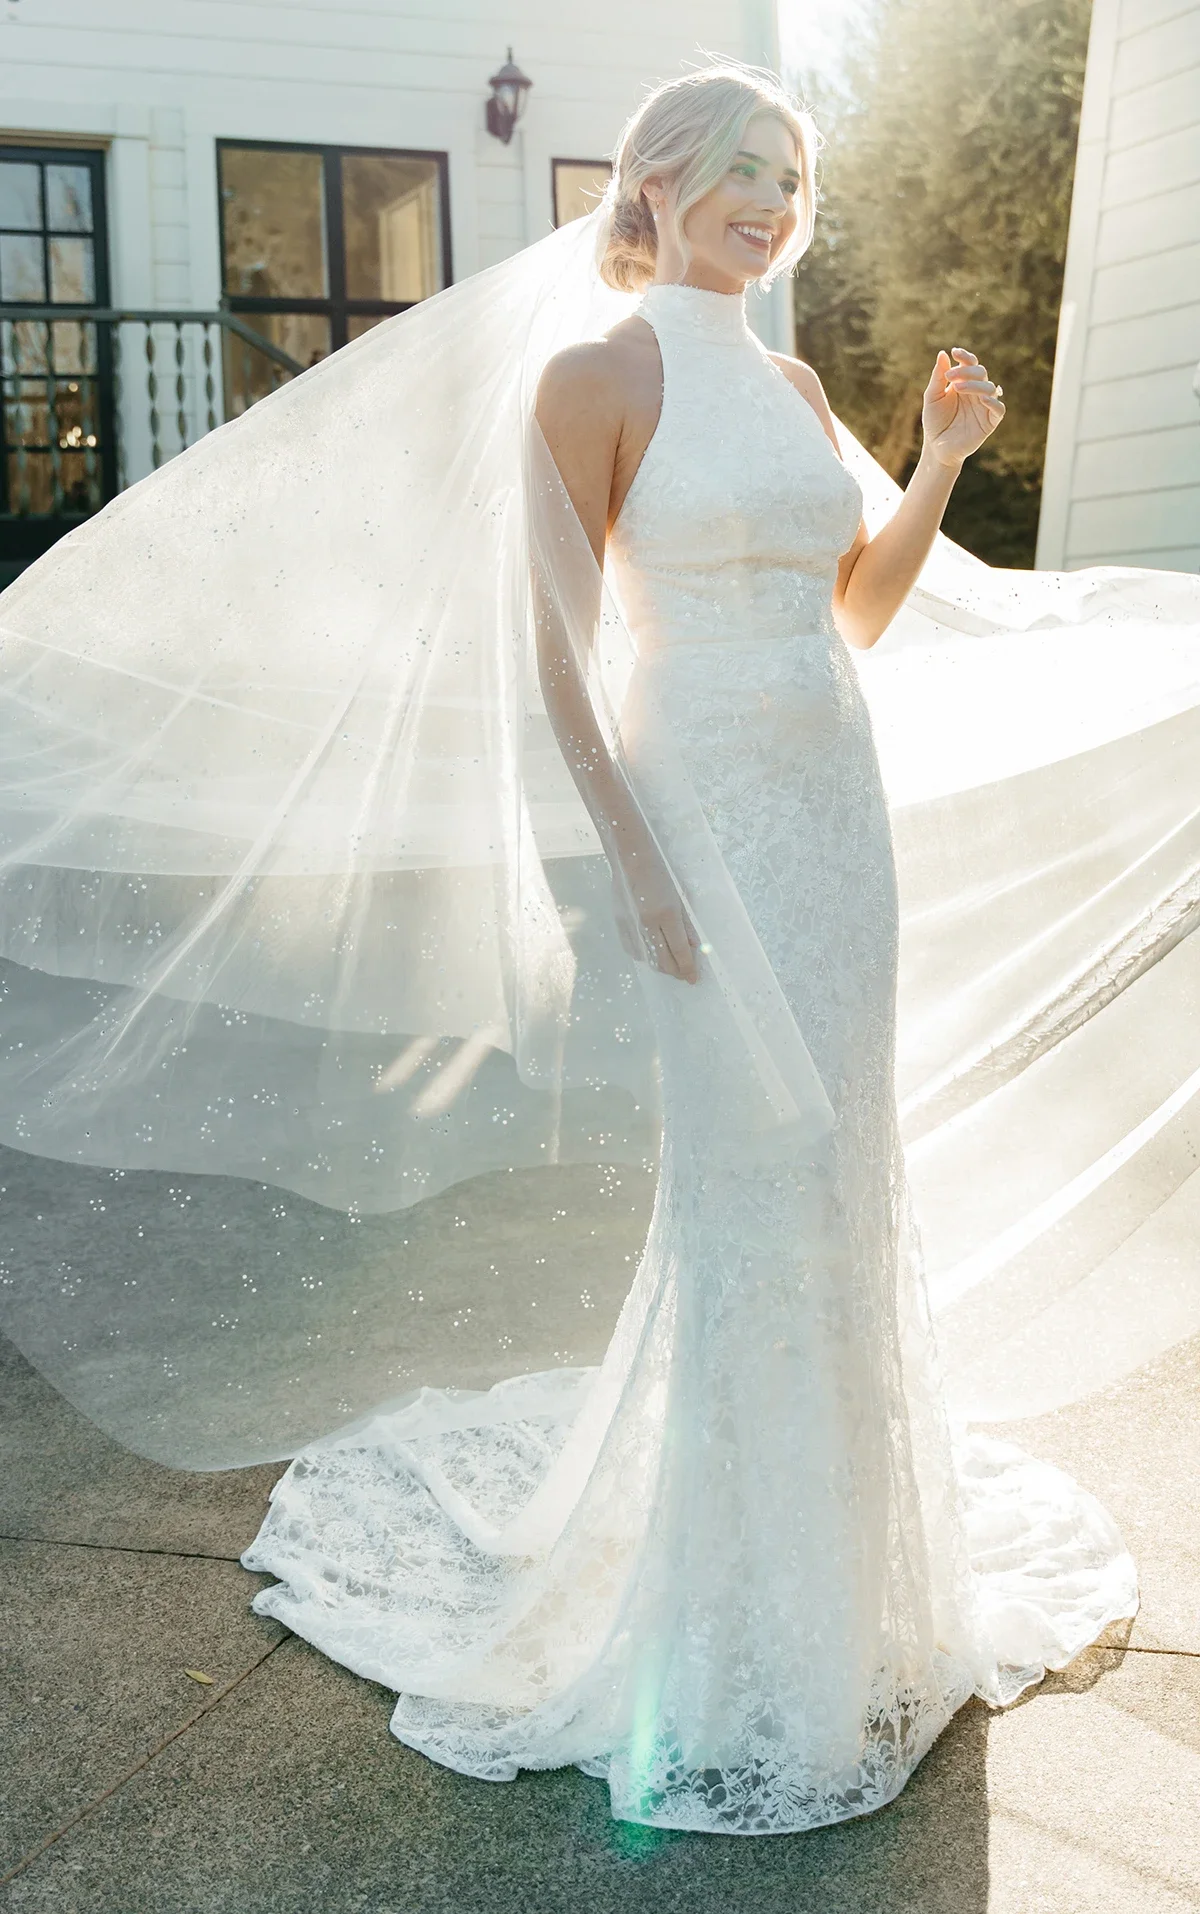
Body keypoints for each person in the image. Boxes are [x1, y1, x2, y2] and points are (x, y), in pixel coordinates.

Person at [233, 67, 1137, 1833]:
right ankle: (736, 1631)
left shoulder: (794, 385)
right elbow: (553, 651)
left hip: (830, 819)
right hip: (701, 816)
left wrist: (940, 456)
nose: (765, 199)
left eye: (788, 176)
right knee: (748, 1195)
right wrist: (636, 863)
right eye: (732, 168)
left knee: (843, 1178)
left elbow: (854, 616)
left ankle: (860, 1582)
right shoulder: (596, 375)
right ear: (654, 182)